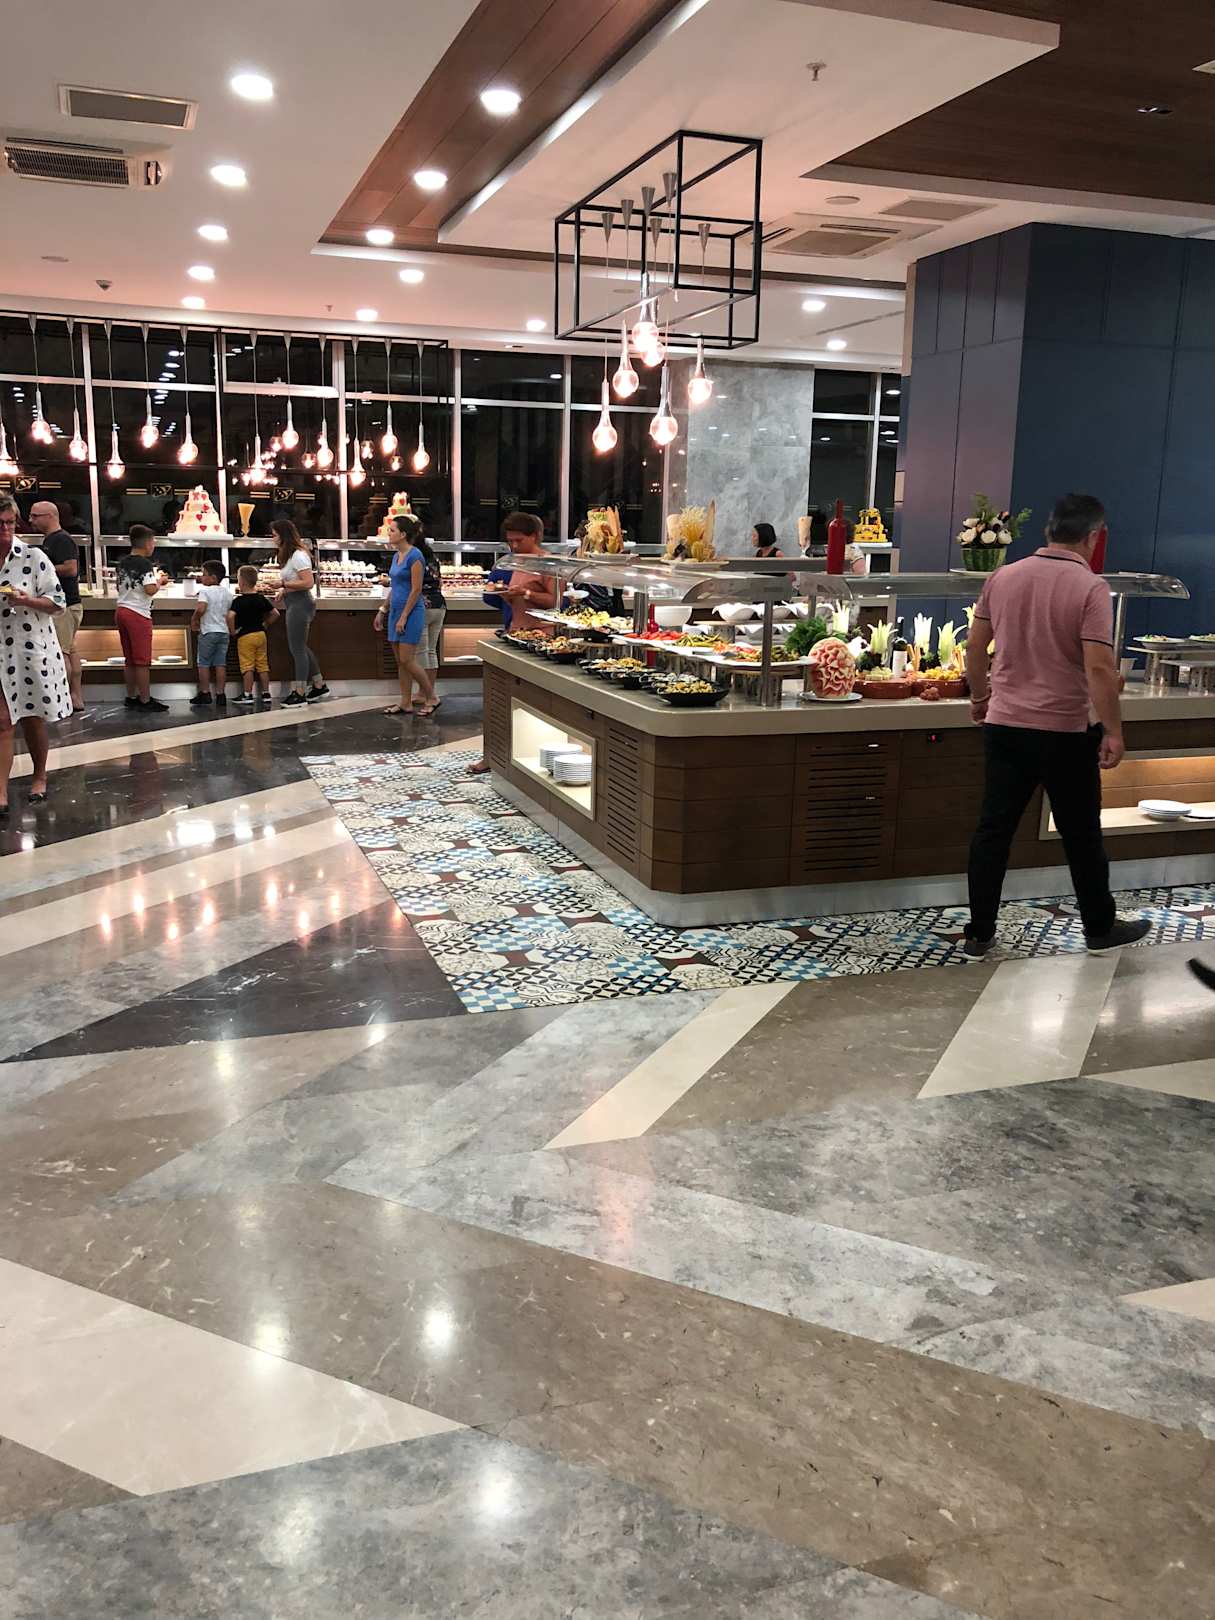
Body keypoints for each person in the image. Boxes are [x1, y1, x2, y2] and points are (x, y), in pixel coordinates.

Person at [963, 493, 1150, 958]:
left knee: (993, 830)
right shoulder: (1089, 587)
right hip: (1066, 730)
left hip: (1006, 726)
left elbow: (975, 648)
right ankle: (1099, 928)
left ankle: (979, 933)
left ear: (1048, 531)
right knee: (1081, 834)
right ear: (1094, 537)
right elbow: (1099, 668)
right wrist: (1113, 730)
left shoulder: (1004, 576)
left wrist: (981, 698)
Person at [468, 512, 557, 775]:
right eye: (510, 541)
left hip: (541, 638)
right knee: (498, 698)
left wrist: (526, 593)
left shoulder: (548, 563)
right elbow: (514, 598)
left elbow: (554, 601)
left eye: (519, 540)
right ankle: (493, 756)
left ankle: (529, 760)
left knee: (534, 704)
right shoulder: (517, 562)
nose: (514, 546)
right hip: (515, 634)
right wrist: (506, 595)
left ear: (535, 536)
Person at [0, 493, 71, 813]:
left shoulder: (33, 557)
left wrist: (25, 600)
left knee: (31, 717)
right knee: (3, 720)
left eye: (10, 523)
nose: (5, 529)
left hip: (28, 649)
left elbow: (58, 603)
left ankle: (39, 776)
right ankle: (1, 792)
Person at [374, 512, 438, 717]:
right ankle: (405, 702)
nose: (389, 533)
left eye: (392, 530)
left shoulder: (415, 555)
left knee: (408, 659)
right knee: (400, 662)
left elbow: (416, 589)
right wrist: (383, 610)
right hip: (395, 611)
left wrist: (404, 617)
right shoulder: (396, 556)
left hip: (411, 613)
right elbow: (396, 587)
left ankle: (432, 697)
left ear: (403, 534)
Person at [28, 498, 84, 714]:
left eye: (35, 516)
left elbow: (71, 568)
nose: (30, 520)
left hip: (64, 605)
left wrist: (41, 568)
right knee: (70, 650)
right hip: (68, 604)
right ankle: (75, 697)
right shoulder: (52, 539)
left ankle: (64, 698)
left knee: (61, 653)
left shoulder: (61, 539)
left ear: (50, 516)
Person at [272, 519, 328, 707]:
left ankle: (300, 692)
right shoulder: (290, 555)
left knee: (297, 649)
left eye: (274, 535)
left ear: (283, 535)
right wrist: (285, 590)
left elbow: (308, 582)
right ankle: (319, 684)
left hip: (300, 604)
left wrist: (283, 584)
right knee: (300, 647)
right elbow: (297, 581)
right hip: (294, 602)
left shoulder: (298, 555)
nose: (273, 539)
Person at [115, 525, 169, 713]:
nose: (153, 545)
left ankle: (131, 697)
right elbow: (149, 589)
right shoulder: (145, 564)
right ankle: (145, 700)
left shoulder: (122, 563)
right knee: (142, 661)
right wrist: (160, 582)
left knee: (129, 660)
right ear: (147, 543)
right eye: (153, 541)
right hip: (138, 613)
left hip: (121, 610)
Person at [228, 565, 278, 706]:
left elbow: (230, 616)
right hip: (260, 635)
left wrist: (232, 631)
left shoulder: (238, 601)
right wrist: (266, 624)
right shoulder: (261, 598)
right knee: (263, 665)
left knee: (247, 666)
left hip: (245, 636)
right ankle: (266, 693)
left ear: (241, 582)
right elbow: (275, 613)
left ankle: (247, 694)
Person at [190, 560, 234, 708]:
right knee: (220, 664)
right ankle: (221, 695)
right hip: (223, 632)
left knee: (203, 663)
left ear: (213, 578)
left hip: (208, 631)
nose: (201, 577)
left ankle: (205, 693)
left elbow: (201, 608)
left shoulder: (205, 592)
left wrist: (194, 619)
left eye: (204, 574)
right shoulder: (228, 593)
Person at [416, 528, 447, 703]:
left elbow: (414, 585)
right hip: (439, 604)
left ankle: (425, 693)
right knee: (431, 651)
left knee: (421, 652)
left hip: (423, 605)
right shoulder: (433, 559)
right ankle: (429, 690)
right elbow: (439, 582)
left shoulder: (415, 558)